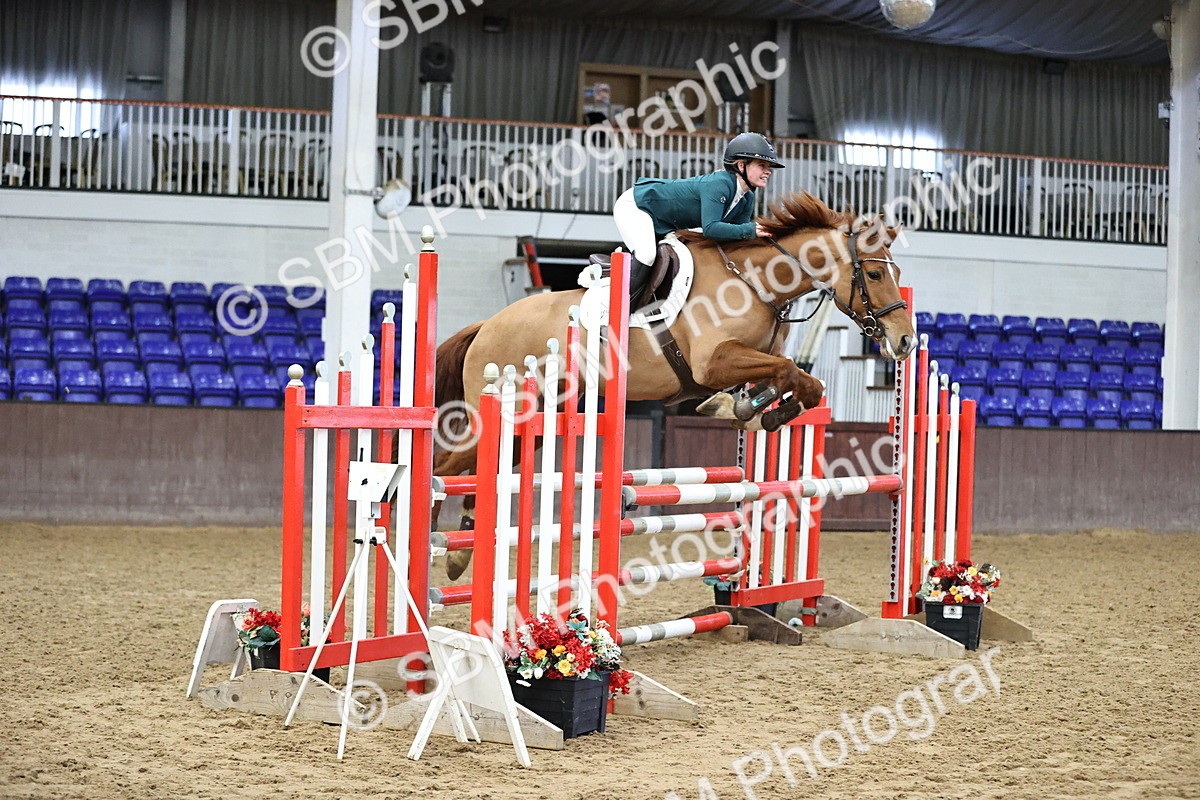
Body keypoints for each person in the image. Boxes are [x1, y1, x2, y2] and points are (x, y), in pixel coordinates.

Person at [612, 132, 785, 300]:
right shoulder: (719, 184)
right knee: (647, 254)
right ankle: (620, 307)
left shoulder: (747, 197)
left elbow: (736, 237)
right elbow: (711, 228)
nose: (768, 171)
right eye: (762, 165)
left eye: (768, 167)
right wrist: (751, 229)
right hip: (636, 206)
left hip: (663, 219)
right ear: (741, 165)